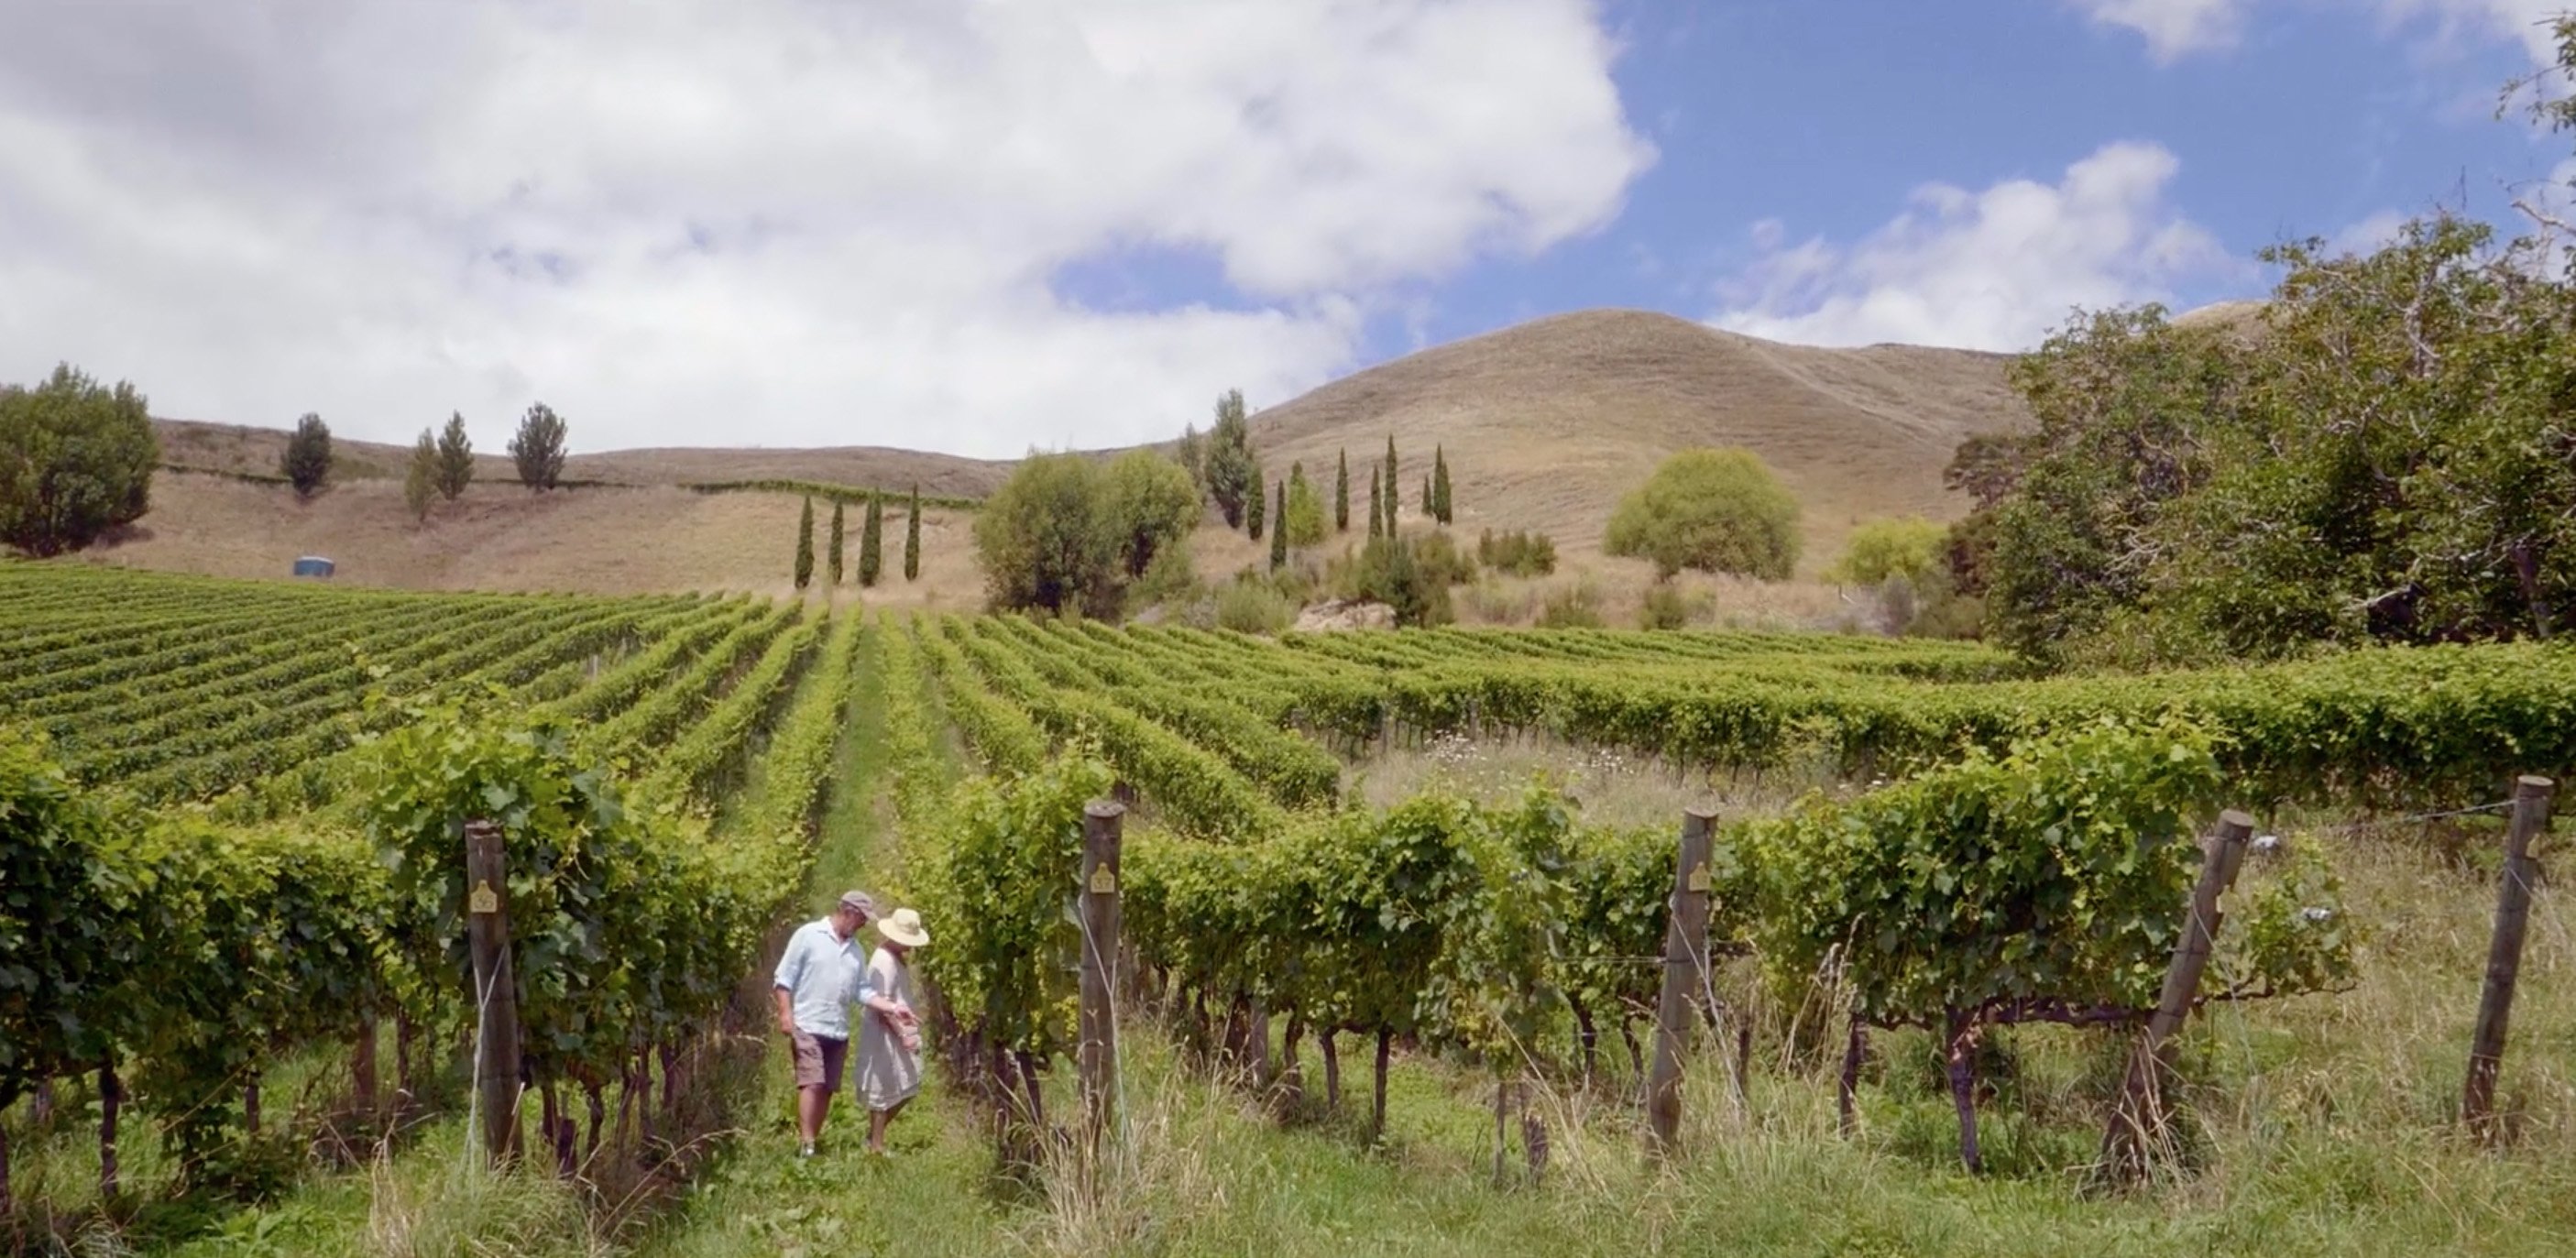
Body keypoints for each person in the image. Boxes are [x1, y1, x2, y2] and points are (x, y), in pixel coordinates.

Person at [773, 890, 877, 1157]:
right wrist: (786, 1014)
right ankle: (806, 1143)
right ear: (849, 912)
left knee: (828, 1087)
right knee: (812, 1082)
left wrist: (891, 1007)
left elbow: (862, 990)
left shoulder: (856, 951)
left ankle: (813, 1139)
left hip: (837, 1028)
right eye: (862, 919)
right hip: (808, 1024)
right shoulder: (808, 936)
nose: (864, 924)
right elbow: (784, 978)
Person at [856, 906, 929, 1154]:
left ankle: (873, 1139)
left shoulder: (893, 956)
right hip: (885, 1032)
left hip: (897, 1028)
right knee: (885, 1086)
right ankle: (875, 1145)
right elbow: (882, 1003)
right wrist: (901, 1034)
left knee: (908, 1084)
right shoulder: (883, 961)